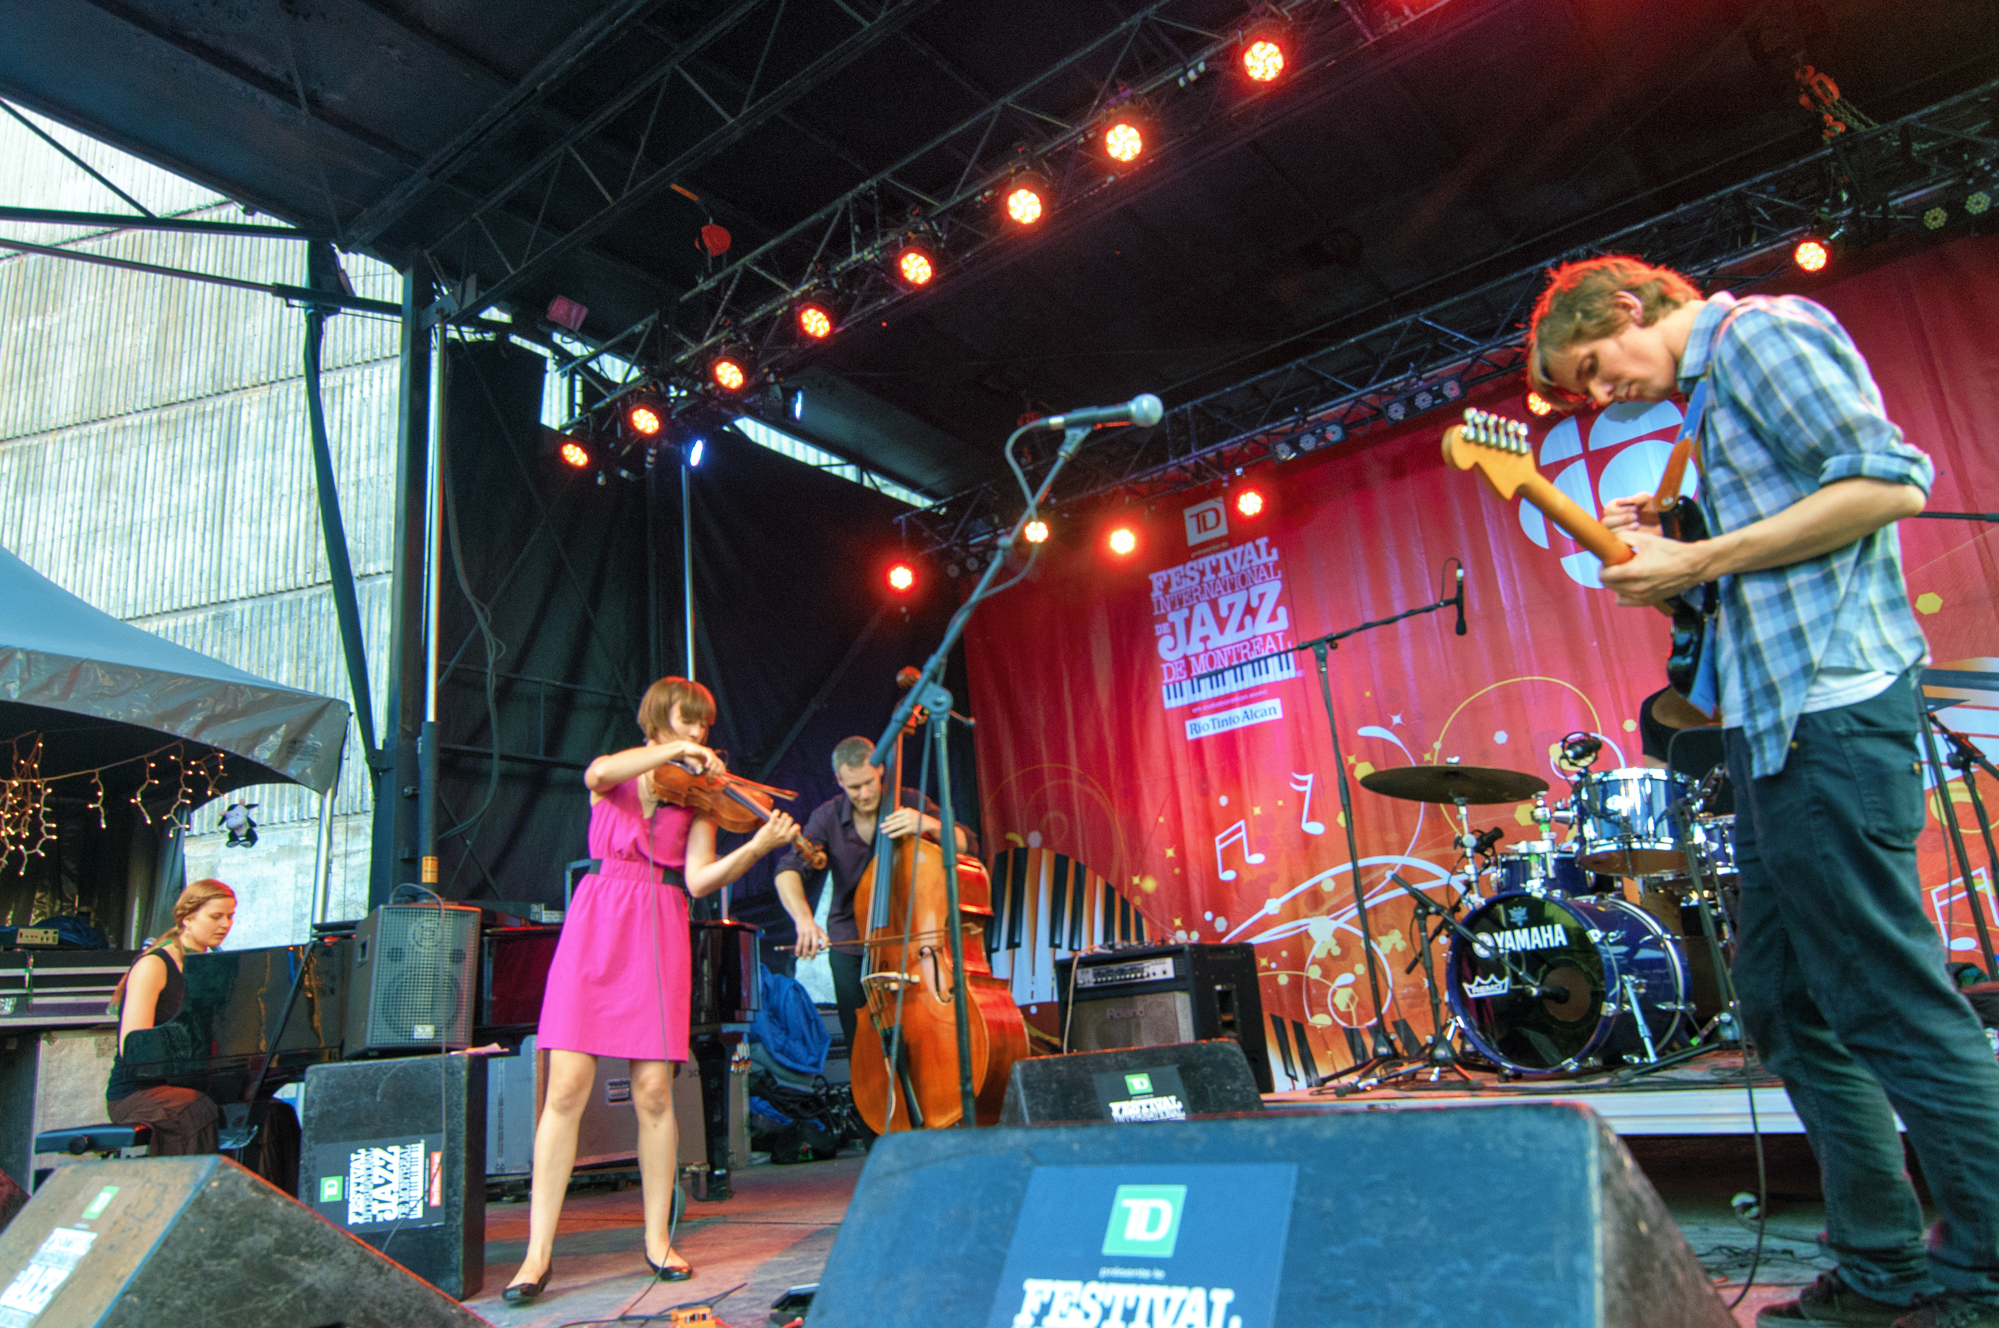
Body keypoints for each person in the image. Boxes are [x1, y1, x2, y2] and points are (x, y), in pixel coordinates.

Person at [1529, 256, 1999, 1328]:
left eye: (1594, 367)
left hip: (1831, 709)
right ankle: (1883, 1268)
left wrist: (1703, 559)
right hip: (1775, 724)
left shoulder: (1761, 336)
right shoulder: (1708, 402)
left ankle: (1983, 1274)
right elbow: (1769, 551)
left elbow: (1888, 481)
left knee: (1893, 1000)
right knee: (1786, 1006)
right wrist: (1684, 539)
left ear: (1629, 307)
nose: (1600, 398)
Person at [503, 677, 796, 1305]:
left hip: (659, 923)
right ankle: (536, 1255)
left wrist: (760, 846)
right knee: (565, 1088)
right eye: (688, 721)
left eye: (704, 726)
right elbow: (596, 774)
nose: (699, 733)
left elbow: (698, 881)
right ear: (659, 720)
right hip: (598, 918)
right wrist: (672, 755)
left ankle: (658, 1238)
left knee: (656, 1091)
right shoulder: (622, 771)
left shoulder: (696, 801)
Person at [773, 735, 976, 1059]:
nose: (865, 794)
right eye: (854, 787)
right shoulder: (827, 816)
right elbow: (789, 869)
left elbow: (967, 845)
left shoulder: (909, 800)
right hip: (852, 945)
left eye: (869, 782)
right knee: (862, 1046)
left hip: (912, 940)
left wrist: (930, 824)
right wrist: (803, 920)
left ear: (881, 769)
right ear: (839, 780)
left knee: (924, 1037)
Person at [105, 878, 235, 1155]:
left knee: (270, 1112)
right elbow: (132, 1047)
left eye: (230, 916)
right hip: (136, 1092)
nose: (225, 924)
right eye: (216, 916)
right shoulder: (154, 965)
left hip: (188, 1085)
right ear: (187, 918)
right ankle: (185, 1196)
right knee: (193, 1109)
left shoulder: (213, 966)